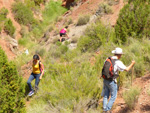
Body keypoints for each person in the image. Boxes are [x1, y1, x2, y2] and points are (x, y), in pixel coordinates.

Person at [102, 47, 135, 113]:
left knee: (106, 95)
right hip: (112, 81)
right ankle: (107, 110)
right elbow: (127, 69)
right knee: (114, 96)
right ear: (119, 55)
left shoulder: (108, 59)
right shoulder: (117, 62)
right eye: (121, 55)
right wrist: (132, 63)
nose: (121, 56)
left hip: (105, 80)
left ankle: (104, 109)